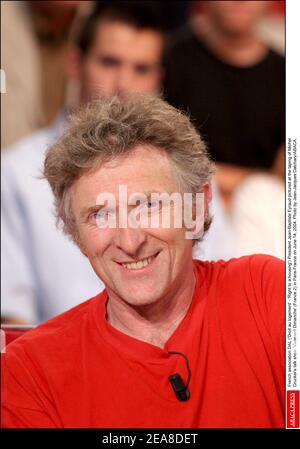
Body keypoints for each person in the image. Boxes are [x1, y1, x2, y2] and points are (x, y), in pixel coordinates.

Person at [1, 95, 284, 428]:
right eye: (100, 214)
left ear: (196, 208)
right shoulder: (31, 372)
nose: (130, 242)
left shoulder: (266, 294)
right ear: (75, 233)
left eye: (149, 206)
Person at [1, 2, 235, 325]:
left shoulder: (189, 167)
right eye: (109, 62)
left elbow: (215, 288)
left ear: (159, 78)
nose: (124, 83)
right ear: (75, 63)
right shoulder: (15, 172)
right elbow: (12, 320)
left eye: (141, 69)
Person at [163, 1, 285, 258]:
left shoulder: (285, 74)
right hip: (185, 218)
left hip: (268, 226)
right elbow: (163, 159)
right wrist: (251, 182)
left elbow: (285, 176)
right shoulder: (168, 61)